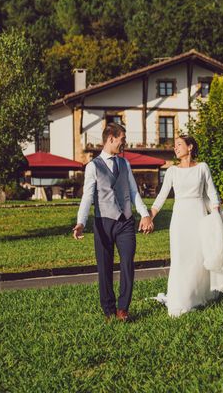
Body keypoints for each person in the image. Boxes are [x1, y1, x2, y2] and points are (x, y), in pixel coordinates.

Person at [72, 123, 154, 322]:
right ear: (111, 139)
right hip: (103, 224)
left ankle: (123, 309)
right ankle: (108, 310)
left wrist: (144, 215)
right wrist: (81, 222)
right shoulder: (93, 166)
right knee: (105, 267)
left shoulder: (125, 164)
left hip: (125, 222)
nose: (124, 144)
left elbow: (134, 192)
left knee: (127, 264)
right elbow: (87, 196)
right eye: (122, 140)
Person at [150, 135, 223, 317]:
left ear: (190, 147)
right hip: (179, 218)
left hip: (198, 216)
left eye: (179, 144)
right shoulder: (172, 171)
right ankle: (180, 299)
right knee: (180, 257)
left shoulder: (202, 168)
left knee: (197, 258)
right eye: (175, 146)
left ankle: (197, 295)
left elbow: (212, 193)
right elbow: (162, 195)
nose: (175, 148)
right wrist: (150, 215)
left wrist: (216, 216)